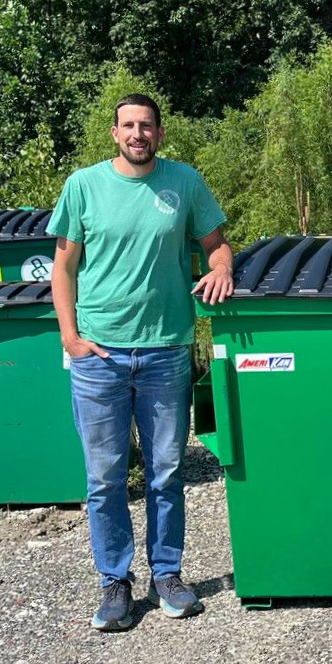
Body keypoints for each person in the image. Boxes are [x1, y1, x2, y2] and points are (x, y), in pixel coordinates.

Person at [50, 94, 234, 631]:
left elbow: (217, 246)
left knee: (167, 472)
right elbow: (63, 269)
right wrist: (71, 337)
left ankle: (168, 576)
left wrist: (221, 268)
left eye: (147, 126)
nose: (138, 134)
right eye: (128, 125)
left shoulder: (184, 183)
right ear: (114, 133)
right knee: (105, 478)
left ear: (160, 133)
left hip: (165, 351)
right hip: (99, 356)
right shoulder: (83, 186)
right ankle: (113, 583)